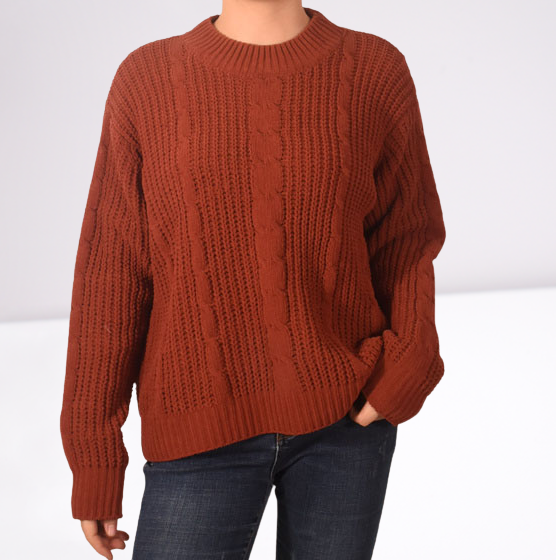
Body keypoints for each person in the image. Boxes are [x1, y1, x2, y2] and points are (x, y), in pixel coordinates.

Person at [60, 2, 446, 559]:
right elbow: (111, 274)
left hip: (346, 419)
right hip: (196, 426)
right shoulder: (146, 80)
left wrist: (410, 359)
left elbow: (406, 235)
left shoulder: (373, 68)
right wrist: (93, 453)